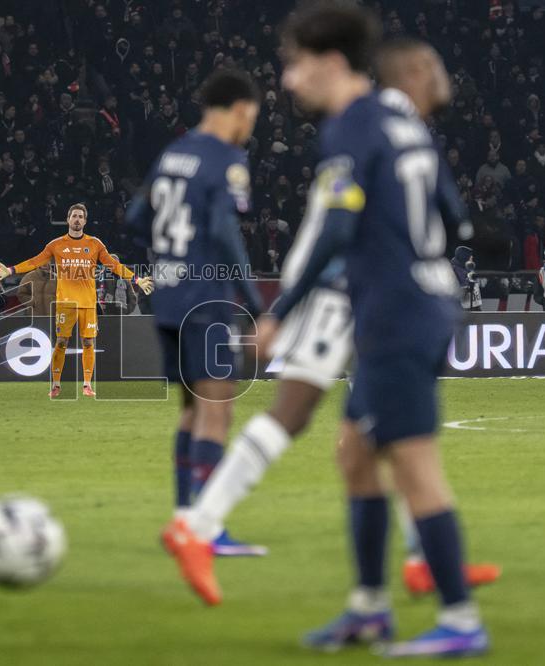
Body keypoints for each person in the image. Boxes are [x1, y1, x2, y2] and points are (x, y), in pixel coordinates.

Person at [163, 8, 490, 657]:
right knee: (355, 453)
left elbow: (339, 228)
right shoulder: (401, 118)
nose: (286, 80)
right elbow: (454, 218)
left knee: (414, 465)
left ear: (331, 61)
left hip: (393, 314)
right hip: (414, 301)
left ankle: (459, 619)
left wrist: (281, 309)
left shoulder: (352, 125)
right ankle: (369, 608)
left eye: (293, 63)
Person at [128, 69, 267, 558]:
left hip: (166, 297)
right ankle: (206, 528)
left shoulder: (173, 154)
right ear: (240, 109)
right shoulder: (226, 158)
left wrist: (170, 257)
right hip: (207, 298)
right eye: (253, 115)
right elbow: (226, 230)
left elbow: (134, 218)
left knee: (190, 412)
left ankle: (184, 518)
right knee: (217, 411)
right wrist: (253, 301)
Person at [0, 204, 154, 397]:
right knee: (61, 342)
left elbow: (115, 266)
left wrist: (137, 279)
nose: (77, 219)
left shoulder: (95, 244)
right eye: (74, 216)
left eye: (80, 217)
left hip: (87, 303)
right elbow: (35, 261)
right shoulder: (56, 244)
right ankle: (56, 385)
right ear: (68, 219)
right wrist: (10, 270)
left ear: (85, 221)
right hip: (65, 303)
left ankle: (87, 385)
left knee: (88, 342)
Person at [451, 246, 482, 311]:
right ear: (464, 257)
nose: (472, 257)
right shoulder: (454, 270)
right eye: (470, 256)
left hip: (475, 306)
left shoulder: (468, 268)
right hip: (462, 309)